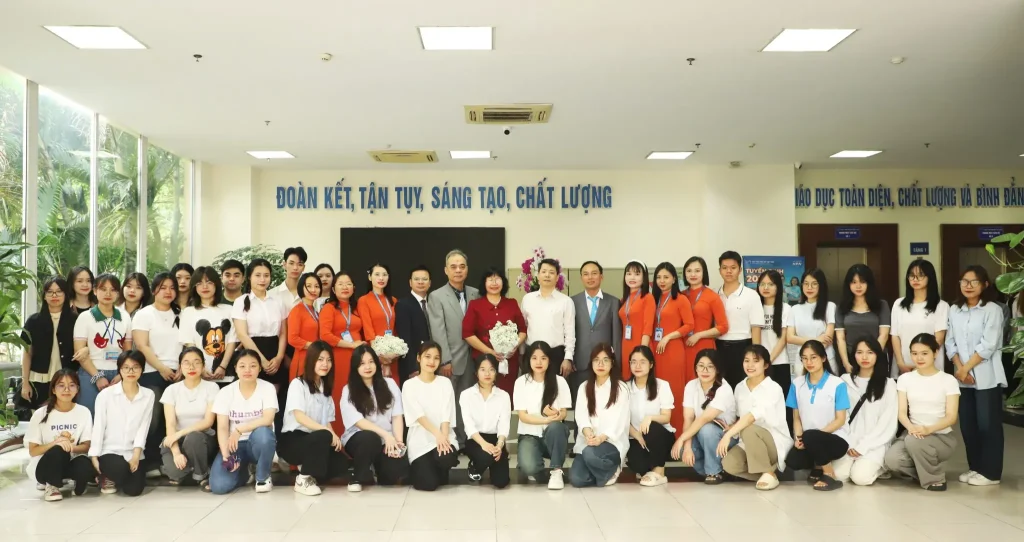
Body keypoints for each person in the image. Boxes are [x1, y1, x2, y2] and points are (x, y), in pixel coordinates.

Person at [946, 266, 1006, 486]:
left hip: (986, 376)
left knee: (987, 425)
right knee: (968, 425)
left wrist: (965, 369)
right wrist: (959, 367)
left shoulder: (992, 310)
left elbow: (989, 344)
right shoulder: (955, 309)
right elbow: (950, 342)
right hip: (963, 378)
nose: (968, 286)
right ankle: (976, 467)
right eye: (964, 281)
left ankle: (991, 473)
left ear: (985, 285)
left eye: (974, 282)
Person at [884, 333, 961, 491]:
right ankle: (926, 470)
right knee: (892, 460)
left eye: (924, 353)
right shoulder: (905, 379)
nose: (919, 358)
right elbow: (902, 413)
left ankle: (935, 479)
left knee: (914, 442)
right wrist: (911, 428)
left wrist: (928, 429)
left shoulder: (948, 380)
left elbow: (951, 417)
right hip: (913, 433)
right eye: (914, 353)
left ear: (935, 353)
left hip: (941, 437)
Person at [278, 341, 350, 496]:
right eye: (320, 359)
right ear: (311, 360)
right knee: (323, 436)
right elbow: (299, 417)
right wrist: (326, 432)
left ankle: (307, 468)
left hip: (316, 440)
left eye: (329, 360)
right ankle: (303, 480)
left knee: (342, 464)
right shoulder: (298, 384)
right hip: (293, 440)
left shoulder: (325, 388)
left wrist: (334, 436)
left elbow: (327, 420)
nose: (325, 364)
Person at [426, 249, 481, 446]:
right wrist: (445, 360)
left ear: (467, 269)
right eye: (453, 267)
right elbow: (438, 330)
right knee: (450, 402)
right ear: (446, 270)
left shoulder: (475, 293)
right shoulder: (437, 296)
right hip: (451, 359)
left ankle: (468, 440)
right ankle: (452, 441)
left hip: (473, 358)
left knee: (469, 400)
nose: (458, 270)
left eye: (462, 266)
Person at [721, 345, 793, 490]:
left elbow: (751, 417)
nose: (750, 365)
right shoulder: (740, 387)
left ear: (766, 365)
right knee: (729, 464)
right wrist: (731, 427)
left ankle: (767, 472)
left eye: (756, 361)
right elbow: (740, 416)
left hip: (773, 441)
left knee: (749, 429)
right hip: (748, 440)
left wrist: (728, 435)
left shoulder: (773, 388)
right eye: (746, 360)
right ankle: (769, 474)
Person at [133, 272, 184, 473]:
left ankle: (171, 463)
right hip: (152, 371)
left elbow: (187, 344)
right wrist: (162, 368)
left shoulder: (181, 314)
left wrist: (182, 368)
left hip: (179, 374)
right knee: (153, 418)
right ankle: (150, 462)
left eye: (172, 288)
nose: (168, 292)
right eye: (163, 287)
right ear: (154, 290)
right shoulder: (144, 314)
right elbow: (142, 345)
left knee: (174, 420)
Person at [209, 349, 279, 494]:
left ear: (260, 368)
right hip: (235, 445)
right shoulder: (225, 392)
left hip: (257, 442)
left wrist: (240, 429)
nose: (247, 370)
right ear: (235, 368)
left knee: (264, 434)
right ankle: (245, 472)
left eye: (253, 366)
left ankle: (263, 477)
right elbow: (222, 427)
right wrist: (226, 456)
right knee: (219, 486)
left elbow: (268, 419)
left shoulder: (267, 388)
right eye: (242, 366)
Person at [232, 259, 290, 432]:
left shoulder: (278, 301)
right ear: (249, 277)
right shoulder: (241, 301)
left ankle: (275, 441)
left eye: (266, 275)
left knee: (274, 402)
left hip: (275, 353)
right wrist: (261, 361)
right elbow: (242, 334)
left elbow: (283, 333)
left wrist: (279, 357)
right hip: (251, 354)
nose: (262, 279)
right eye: (258, 275)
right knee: (252, 400)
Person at [341, 344, 408, 491]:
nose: (367, 367)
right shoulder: (348, 390)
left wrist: (398, 443)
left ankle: (377, 466)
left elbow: (397, 416)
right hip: (360, 439)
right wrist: (386, 435)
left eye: (371, 362)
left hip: (387, 440)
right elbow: (358, 422)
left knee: (393, 475)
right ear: (355, 367)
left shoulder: (390, 384)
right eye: (362, 363)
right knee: (370, 439)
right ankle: (358, 476)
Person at [786, 340, 850, 491]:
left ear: (823, 358)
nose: (808, 362)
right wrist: (799, 438)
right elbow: (796, 417)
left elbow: (840, 420)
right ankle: (818, 465)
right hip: (808, 439)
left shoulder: (837, 384)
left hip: (836, 439)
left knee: (811, 436)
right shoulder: (797, 384)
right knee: (793, 461)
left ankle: (829, 474)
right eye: (804, 358)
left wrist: (814, 437)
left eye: (813, 357)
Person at [89, 350, 155, 497]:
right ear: (119, 370)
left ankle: (114, 475)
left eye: (136, 367)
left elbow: (143, 428)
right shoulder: (105, 395)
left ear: (142, 369)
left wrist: (136, 456)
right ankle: (104, 474)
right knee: (121, 470)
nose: (131, 371)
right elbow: (99, 426)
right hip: (109, 451)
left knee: (134, 490)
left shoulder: (148, 395)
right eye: (126, 367)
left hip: (133, 453)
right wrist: (94, 456)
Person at [833, 337, 897, 486]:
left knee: (860, 478)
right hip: (849, 441)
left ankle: (882, 468)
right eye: (859, 352)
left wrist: (864, 446)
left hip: (876, 442)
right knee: (839, 475)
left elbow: (887, 422)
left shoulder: (888, 385)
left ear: (877, 355)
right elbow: (841, 417)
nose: (864, 357)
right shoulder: (844, 381)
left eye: (870, 352)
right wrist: (848, 443)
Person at [26, 369, 95, 502]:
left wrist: (70, 447)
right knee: (58, 450)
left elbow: (86, 446)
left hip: (69, 461)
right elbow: (33, 451)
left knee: (84, 462)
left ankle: (79, 483)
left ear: (77, 389)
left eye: (72, 385)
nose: (66, 390)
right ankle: (51, 485)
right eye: (61, 385)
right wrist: (56, 443)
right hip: (44, 467)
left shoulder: (84, 412)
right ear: (53, 389)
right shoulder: (40, 414)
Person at [672, 349, 737, 484]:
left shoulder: (724, 388)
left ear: (717, 369)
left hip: (726, 437)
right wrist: (687, 447)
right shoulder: (691, 385)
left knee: (706, 429)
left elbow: (704, 419)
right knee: (684, 448)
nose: (705, 370)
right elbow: (688, 418)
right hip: (703, 437)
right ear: (695, 368)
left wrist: (681, 438)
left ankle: (714, 472)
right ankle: (720, 471)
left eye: (710, 366)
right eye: (701, 366)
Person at [513, 341, 571, 489]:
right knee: (529, 467)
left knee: (556, 427)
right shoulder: (521, 382)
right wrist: (545, 419)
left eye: (543, 358)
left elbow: (564, 413)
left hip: (552, 434)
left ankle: (556, 470)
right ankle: (532, 465)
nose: (539, 362)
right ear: (528, 360)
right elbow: (523, 416)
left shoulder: (560, 381)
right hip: (529, 434)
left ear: (549, 360)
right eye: (534, 358)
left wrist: (556, 415)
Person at [570, 343, 630, 488]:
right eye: (596, 360)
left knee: (589, 454)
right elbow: (581, 416)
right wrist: (588, 433)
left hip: (611, 443)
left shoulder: (621, 388)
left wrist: (601, 438)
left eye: (605, 360)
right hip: (589, 442)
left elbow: (619, 421)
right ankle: (602, 473)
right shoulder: (584, 387)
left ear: (612, 363)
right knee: (576, 479)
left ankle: (612, 467)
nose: (600, 364)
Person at [403, 341, 460, 491]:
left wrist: (444, 437)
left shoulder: (445, 383)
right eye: (427, 356)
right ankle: (425, 468)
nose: (431, 361)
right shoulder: (409, 385)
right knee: (427, 485)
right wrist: (437, 435)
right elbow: (418, 416)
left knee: (446, 457)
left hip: (443, 435)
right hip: (420, 440)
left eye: (436, 358)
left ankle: (439, 466)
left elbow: (447, 414)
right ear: (418, 358)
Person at [159, 347, 219, 489]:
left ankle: (201, 474)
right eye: (186, 363)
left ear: (203, 366)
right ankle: (192, 469)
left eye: (196, 362)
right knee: (175, 472)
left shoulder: (212, 387)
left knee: (193, 438)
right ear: (180, 367)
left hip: (202, 439)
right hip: (177, 439)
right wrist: (176, 453)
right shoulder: (171, 390)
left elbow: (208, 422)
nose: (191, 367)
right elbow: (170, 425)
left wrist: (180, 433)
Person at [73, 273, 133, 413]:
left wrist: (121, 374)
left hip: (118, 374)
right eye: (103, 289)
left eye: (113, 290)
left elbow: (127, 351)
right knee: (90, 415)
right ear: (94, 290)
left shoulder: (124, 316)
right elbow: (79, 353)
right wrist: (97, 376)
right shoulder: (85, 317)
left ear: (118, 293)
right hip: (90, 373)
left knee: (116, 417)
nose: (108, 293)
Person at [463, 267, 527, 395]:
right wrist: (490, 352)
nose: (494, 283)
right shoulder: (475, 305)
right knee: (485, 395)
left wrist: (514, 345)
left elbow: (523, 330)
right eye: (490, 279)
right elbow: (467, 334)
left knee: (507, 395)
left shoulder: (512, 303)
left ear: (503, 282)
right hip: (484, 361)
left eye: (497, 279)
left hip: (509, 361)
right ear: (484, 283)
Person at [650, 262, 695, 435]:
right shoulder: (654, 299)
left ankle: (677, 436)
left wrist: (669, 336)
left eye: (666, 277)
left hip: (673, 350)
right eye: (659, 277)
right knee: (657, 393)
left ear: (674, 279)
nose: (662, 281)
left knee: (674, 392)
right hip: (655, 350)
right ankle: (659, 436)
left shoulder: (681, 299)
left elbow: (689, 325)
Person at [20, 277, 76, 410]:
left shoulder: (75, 320)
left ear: (65, 295)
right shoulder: (33, 321)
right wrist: (25, 383)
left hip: (66, 380)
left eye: (59, 291)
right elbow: (27, 354)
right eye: (50, 292)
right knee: (40, 416)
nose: (54, 295)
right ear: (44, 296)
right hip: (38, 379)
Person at [570, 261, 622, 404]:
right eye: (586, 274)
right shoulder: (572, 302)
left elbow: (616, 336)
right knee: (581, 403)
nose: (590, 277)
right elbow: (568, 332)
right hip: (579, 363)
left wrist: (616, 361)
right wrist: (570, 358)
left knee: (605, 403)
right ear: (581, 278)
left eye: (594, 273)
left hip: (605, 363)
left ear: (601, 277)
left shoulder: (613, 302)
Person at [320, 271, 364, 433]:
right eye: (340, 284)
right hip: (338, 358)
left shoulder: (357, 308)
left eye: (348, 284)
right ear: (333, 289)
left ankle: (359, 435)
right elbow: (325, 335)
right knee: (339, 395)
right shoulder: (329, 308)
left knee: (358, 395)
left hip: (358, 358)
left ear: (354, 287)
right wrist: (350, 345)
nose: (345, 287)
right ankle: (339, 436)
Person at [460, 354, 512, 488]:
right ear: (476, 372)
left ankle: (490, 461)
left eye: (491, 369)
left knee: (501, 482)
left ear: (496, 372)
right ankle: (475, 466)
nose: (487, 373)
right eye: (482, 369)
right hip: (475, 439)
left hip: (496, 439)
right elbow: (468, 425)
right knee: (486, 456)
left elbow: (504, 424)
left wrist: (499, 446)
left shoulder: (503, 396)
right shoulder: (466, 395)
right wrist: (484, 444)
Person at [521, 258, 576, 384]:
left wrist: (568, 358)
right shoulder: (527, 299)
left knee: (554, 391)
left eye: (551, 272)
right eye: (544, 271)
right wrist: (522, 354)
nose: (547, 275)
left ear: (557, 278)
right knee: (531, 391)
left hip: (555, 355)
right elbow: (523, 328)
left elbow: (570, 332)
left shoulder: (566, 301)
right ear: (538, 275)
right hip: (531, 354)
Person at [890, 259, 949, 376]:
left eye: (921, 275)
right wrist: (900, 362)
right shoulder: (898, 304)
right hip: (904, 366)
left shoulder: (941, 306)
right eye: (912, 275)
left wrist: (918, 366)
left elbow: (938, 339)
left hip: (930, 367)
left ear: (930, 277)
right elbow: (895, 335)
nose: (915, 279)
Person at [626, 345, 674, 487]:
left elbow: (666, 417)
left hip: (660, 436)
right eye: (633, 362)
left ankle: (659, 472)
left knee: (652, 427)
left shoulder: (662, 385)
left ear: (651, 364)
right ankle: (648, 471)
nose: (637, 366)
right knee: (637, 464)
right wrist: (636, 434)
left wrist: (650, 418)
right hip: (636, 437)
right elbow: (622, 419)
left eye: (642, 362)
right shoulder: (624, 388)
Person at [179, 266, 237, 383]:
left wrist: (222, 367)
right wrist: (201, 368)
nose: (204, 287)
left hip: (226, 374)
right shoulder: (188, 312)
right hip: (198, 375)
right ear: (194, 287)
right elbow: (190, 344)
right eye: (199, 283)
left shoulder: (229, 310)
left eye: (209, 282)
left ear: (216, 284)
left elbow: (232, 341)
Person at [716, 251, 765, 387]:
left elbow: (756, 328)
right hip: (719, 347)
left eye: (733, 267)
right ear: (719, 271)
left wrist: (756, 356)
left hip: (743, 348)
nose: (728, 271)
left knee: (743, 387)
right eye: (724, 268)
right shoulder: (714, 294)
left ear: (740, 270)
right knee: (721, 388)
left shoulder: (751, 295)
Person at [835, 264, 890, 374]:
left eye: (862, 281)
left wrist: (872, 357)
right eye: (854, 282)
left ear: (869, 283)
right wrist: (846, 363)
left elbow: (883, 335)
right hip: (850, 358)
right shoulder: (842, 308)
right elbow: (840, 338)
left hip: (877, 357)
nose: (858, 286)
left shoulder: (881, 305)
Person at [682, 257, 729, 382]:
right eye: (689, 271)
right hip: (683, 346)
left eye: (697, 271)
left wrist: (698, 335)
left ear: (704, 273)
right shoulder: (680, 295)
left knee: (704, 381)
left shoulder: (712, 296)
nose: (693, 274)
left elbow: (723, 327)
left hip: (703, 345)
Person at [787, 268, 837, 374]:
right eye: (806, 284)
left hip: (825, 358)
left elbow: (827, 339)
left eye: (814, 284)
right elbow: (790, 337)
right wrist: (816, 339)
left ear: (821, 285)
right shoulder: (795, 309)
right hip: (803, 360)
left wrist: (804, 341)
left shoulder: (830, 306)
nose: (809, 288)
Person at [357, 262, 401, 382]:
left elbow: (396, 328)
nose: (381, 278)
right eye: (377, 274)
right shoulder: (364, 300)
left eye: (384, 275)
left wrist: (395, 352)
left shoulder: (393, 300)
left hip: (393, 355)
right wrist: (380, 356)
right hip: (375, 354)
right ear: (369, 277)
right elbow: (368, 329)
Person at [757, 270, 793, 394]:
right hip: (759, 363)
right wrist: (760, 361)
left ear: (778, 287)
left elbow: (783, 339)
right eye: (762, 284)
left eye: (771, 284)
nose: (766, 287)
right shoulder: (756, 308)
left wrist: (768, 360)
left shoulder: (786, 309)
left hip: (780, 362)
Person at [396, 265, 433, 382]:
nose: (420, 282)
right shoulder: (403, 304)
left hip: (432, 361)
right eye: (416, 279)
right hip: (414, 366)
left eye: (424, 279)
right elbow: (404, 338)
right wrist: (413, 367)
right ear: (410, 282)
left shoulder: (434, 302)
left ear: (430, 283)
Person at [619, 260, 655, 379]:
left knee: (640, 378)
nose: (632, 277)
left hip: (641, 344)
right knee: (627, 379)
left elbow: (648, 327)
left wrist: (642, 351)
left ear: (644, 277)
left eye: (637, 274)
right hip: (626, 345)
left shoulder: (648, 298)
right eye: (629, 274)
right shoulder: (624, 299)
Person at [287, 272, 323, 380]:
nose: (313, 290)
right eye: (309, 286)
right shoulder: (297, 310)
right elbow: (292, 339)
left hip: (316, 358)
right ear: (301, 287)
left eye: (317, 286)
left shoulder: (316, 311)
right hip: (302, 359)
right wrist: (314, 347)